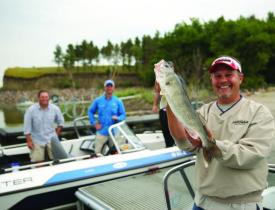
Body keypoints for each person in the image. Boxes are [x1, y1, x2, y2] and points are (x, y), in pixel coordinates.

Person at [166, 56, 275, 210]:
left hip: (242, 205)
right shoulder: (203, 111)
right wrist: (169, 94)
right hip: (202, 202)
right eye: (217, 76)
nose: (223, 80)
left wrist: (212, 143)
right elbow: (184, 142)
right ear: (212, 80)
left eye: (229, 75)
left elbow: (251, 154)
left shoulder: (259, 113)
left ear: (240, 78)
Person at [24, 90, 65, 162]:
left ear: (49, 98)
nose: (44, 99)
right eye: (42, 97)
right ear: (38, 98)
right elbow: (27, 127)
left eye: (46, 97)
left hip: (51, 139)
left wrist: (56, 134)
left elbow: (61, 122)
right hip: (37, 140)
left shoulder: (55, 108)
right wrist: (29, 141)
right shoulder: (31, 110)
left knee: (55, 160)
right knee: (38, 163)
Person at [88, 79, 126, 156]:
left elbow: (123, 115)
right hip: (102, 131)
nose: (109, 88)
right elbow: (90, 111)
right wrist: (94, 123)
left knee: (116, 152)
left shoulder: (118, 101)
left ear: (113, 88)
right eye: (107, 86)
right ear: (104, 88)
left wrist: (118, 118)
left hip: (114, 132)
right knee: (97, 153)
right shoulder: (98, 100)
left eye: (111, 86)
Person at [152, 81, 174, 147]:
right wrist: (155, 105)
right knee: (165, 129)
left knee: (173, 129)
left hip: (174, 108)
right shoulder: (159, 78)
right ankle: (168, 145)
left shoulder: (174, 78)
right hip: (164, 109)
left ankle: (176, 144)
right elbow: (157, 91)